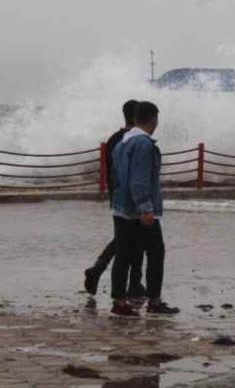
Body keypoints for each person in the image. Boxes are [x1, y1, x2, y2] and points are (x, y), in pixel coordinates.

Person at [110, 101, 179, 316]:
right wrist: (146, 208)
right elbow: (139, 180)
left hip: (121, 208)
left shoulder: (122, 142)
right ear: (153, 119)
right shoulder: (143, 143)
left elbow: (118, 177)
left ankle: (119, 302)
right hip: (139, 211)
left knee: (123, 255)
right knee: (156, 253)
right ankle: (154, 301)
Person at [83, 100, 146, 304]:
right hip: (130, 197)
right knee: (132, 240)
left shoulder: (114, 139)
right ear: (138, 117)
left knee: (129, 239)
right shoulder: (133, 140)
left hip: (116, 195)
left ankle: (120, 278)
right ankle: (126, 283)